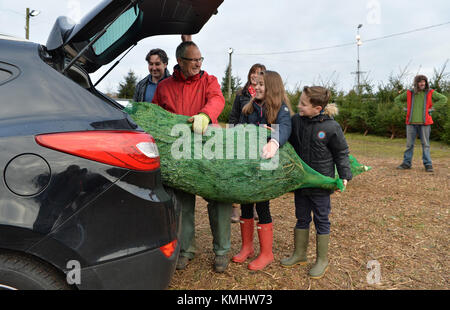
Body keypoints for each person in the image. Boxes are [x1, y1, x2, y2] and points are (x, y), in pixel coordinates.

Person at [152, 37, 232, 273]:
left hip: (209, 149)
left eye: (200, 59)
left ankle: (222, 251)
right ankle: (186, 250)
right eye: (193, 60)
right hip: (180, 152)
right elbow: (158, 117)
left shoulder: (209, 80)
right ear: (179, 61)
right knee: (183, 203)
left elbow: (218, 99)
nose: (198, 63)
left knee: (219, 199)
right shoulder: (164, 87)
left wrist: (206, 115)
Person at [282, 86, 352, 279]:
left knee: (321, 219)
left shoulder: (331, 127)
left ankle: (322, 259)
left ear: (318, 108)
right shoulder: (296, 121)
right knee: (301, 217)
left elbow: (341, 152)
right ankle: (299, 254)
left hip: (321, 184)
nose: (299, 106)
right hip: (302, 182)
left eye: (304, 104)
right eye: (300, 101)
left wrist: (344, 176)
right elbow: (284, 135)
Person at [231, 71, 293, 271]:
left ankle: (266, 253)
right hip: (247, 165)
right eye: (255, 84)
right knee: (245, 204)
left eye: (261, 85)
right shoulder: (248, 108)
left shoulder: (280, 108)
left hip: (265, 166)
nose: (256, 87)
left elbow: (284, 127)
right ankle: (246, 247)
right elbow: (239, 129)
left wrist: (274, 142)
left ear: (272, 88)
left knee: (262, 206)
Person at [229, 64, 267, 223]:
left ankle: (255, 206)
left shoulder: (266, 95)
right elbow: (234, 117)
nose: (255, 75)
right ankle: (235, 207)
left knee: (256, 172)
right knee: (240, 173)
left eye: (259, 73)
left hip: (259, 140)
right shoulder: (241, 94)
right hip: (242, 138)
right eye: (252, 72)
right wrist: (233, 136)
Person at [395, 75, 448, 172]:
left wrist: (432, 108)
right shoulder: (409, 92)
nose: (422, 83)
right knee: (409, 144)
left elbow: (444, 99)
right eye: (420, 82)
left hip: (425, 123)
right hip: (411, 123)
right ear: (416, 83)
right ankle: (406, 163)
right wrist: (404, 108)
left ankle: (428, 164)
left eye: (424, 81)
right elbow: (397, 99)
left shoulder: (430, 92)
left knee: (425, 144)